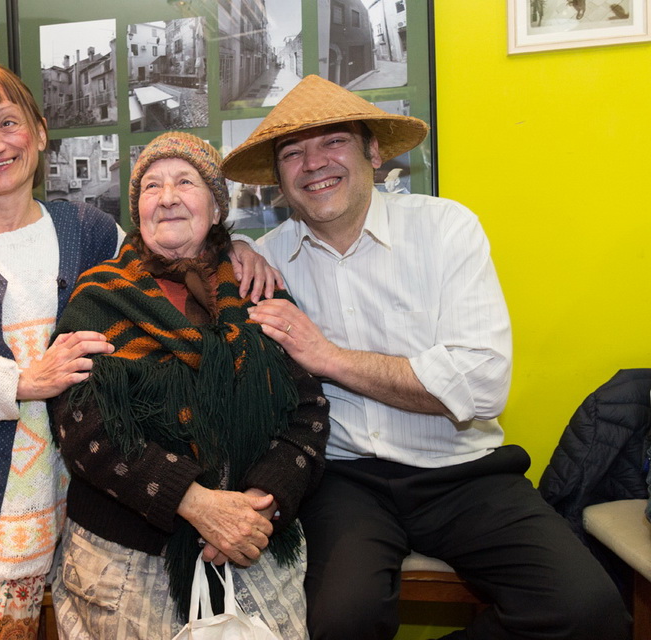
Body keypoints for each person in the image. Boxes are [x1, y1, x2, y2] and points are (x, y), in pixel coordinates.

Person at [0, 66, 277, 640]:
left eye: (7, 123)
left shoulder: (90, 231)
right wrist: (20, 381)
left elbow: (174, 243)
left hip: (74, 509)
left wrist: (240, 248)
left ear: (38, 132)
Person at [222, 74, 629, 640]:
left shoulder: (446, 229)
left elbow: (482, 385)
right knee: (340, 622)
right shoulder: (267, 260)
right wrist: (230, 249)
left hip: (464, 472)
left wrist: (329, 357)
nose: (314, 163)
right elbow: (174, 255)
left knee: (589, 612)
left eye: (333, 141)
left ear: (373, 151)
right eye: (293, 153)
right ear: (278, 181)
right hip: (344, 479)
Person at [49, 132, 330, 639]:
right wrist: (196, 503)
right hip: (127, 568)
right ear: (138, 212)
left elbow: (308, 413)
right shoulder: (99, 298)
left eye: (186, 181)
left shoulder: (257, 290)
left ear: (216, 207)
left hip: (254, 551)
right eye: (151, 187)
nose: (168, 196)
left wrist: (257, 506)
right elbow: (82, 430)